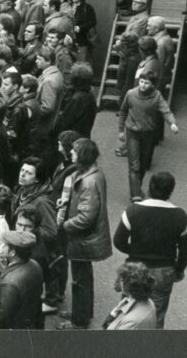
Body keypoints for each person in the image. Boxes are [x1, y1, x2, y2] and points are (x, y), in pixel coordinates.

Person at [112, 170, 187, 328]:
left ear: (149, 187)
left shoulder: (133, 211)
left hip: (135, 268)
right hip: (164, 270)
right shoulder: (180, 216)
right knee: (157, 315)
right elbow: (185, 250)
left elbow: (118, 241)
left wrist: (134, 251)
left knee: (128, 309)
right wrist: (179, 270)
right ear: (171, 191)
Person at [57, 138, 112, 330]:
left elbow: (86, 217)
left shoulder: (88, 181)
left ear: (83, 156)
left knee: (80, 280)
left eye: (74, 151)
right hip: (85, 238)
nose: (71, 153)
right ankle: (81, 312)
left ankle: (78, 321)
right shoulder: (92, 174)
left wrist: (65, 225)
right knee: (83, 278)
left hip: (83, 239)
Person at [117, 71, 178, 201]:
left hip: (148, 134)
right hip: (132, 133)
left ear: (153, 85)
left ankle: (136, 188)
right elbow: (123, 112)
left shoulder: (157, 96)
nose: (143, 85)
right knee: (134, 165)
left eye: (146, 83)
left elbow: (166, 111)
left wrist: (172, 123)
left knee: (143, 164)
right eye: (141, 82)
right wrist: (121, 131)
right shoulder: (131, 94)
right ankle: (135, 195)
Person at [0, 230, 44, 329]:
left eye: (4, 246)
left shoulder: (8, 284)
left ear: (12, 252)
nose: (2, 249)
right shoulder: (34, 264)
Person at [102, 262, 157, 329]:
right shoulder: (149, 302)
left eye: (122, 280)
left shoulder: (131, 321)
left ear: (128, 286)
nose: (120, 282)